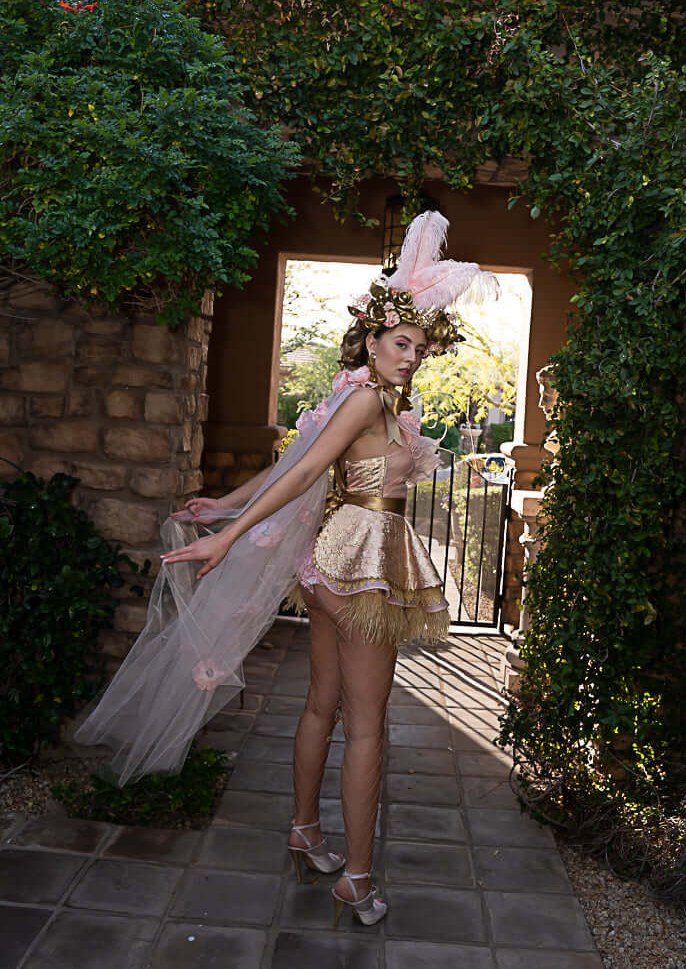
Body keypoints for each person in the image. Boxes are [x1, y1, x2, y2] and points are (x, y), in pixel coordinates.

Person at [75, 210, 498, 928]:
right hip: (360, 567)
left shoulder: (363, 395)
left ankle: (305, 830)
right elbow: (303, 475)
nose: (411, 357)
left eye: (421, 348)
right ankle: (356, 880)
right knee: (367, 727)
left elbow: (296, 460)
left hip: (332, 561)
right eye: (400, 343)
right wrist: (229, 535)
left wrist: (224, 505)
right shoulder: (365, 398)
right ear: (372, 338)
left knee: (322, 705)